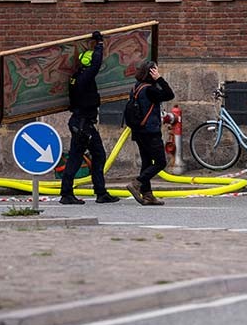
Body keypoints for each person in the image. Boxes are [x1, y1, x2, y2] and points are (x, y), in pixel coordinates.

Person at [59, 31, 121, 205]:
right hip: (83, 124)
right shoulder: (85, 78)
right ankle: (87, 193)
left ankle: (81, 192)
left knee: (80, 157)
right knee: (94, 156)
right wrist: (100, 44)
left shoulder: (76, 77)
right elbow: (96, 64)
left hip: (80, 122)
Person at [126, 61, 175, 205]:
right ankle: (137, 183)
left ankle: (147, 195)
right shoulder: (150, 90)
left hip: (138, 131)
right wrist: (159, 78)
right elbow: (169, 94)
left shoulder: (136, 87)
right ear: (151, 72)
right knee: (160, 162)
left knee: (147, 162)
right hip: (150, 131)